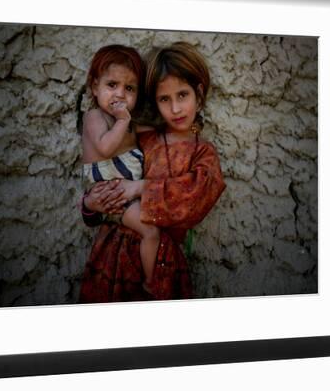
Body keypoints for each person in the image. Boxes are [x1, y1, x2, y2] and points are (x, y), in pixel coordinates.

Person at [79, 42, 226, 302]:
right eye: (164, 99)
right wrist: (91, 203)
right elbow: (102, 192)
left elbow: (195, 199)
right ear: (153, 101)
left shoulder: (202, 153)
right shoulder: (141, 140)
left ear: (199, 94)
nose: (176, 109)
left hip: (160, 262)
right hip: (112, 257)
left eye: (183, 95)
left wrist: (139, 187)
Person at [81, 45, 161, 293]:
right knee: (151, 231)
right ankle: (151, 282)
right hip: (112, 196)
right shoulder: (95, 117)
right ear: (95, 87)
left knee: (151, 229)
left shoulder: (129, 123)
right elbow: (105, 147)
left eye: (129, 88)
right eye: (112, 85)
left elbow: (158, 130)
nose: (120, 95)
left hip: (124, 196)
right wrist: (124, 120)